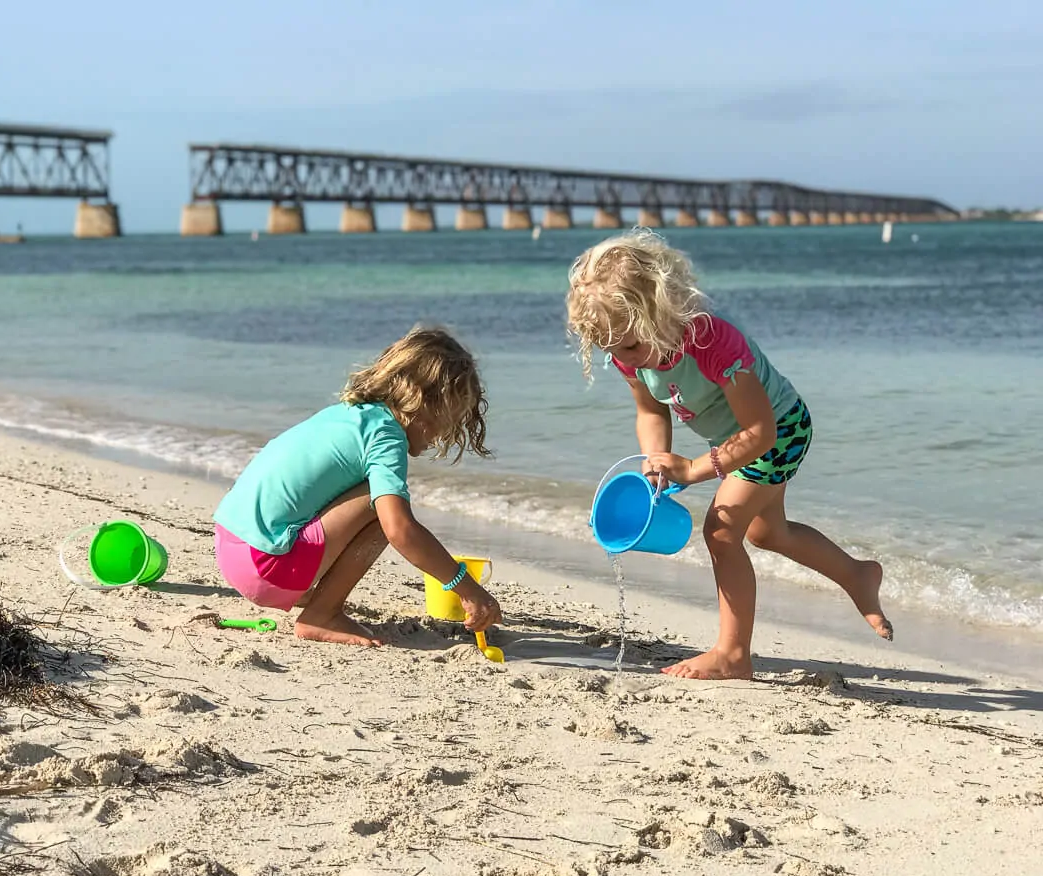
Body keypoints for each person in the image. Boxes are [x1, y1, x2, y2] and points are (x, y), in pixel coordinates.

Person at [566, 230, 890, 680]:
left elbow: (760, 432)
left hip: (780, 431)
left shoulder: (713, 344)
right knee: (767, 534)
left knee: (721, 530)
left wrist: (696, 469)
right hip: (741, 440)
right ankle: (857, 575)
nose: (626, 359)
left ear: (659, 312)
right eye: (613, 351)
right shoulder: (629, 352)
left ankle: (733, 655)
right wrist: (657, 457)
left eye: (629, 347)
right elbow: (649, 410)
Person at [213, 326, 502, 647]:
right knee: (382, 507)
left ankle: (312, 597)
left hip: (232, 552)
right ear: (427, 403)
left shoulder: (348, 415)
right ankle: (321, 614)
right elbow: (401, 531)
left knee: (375, 496)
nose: (441, 435)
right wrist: (465, 587)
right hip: (267, 569)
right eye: (449, 418)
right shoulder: (386, 435)